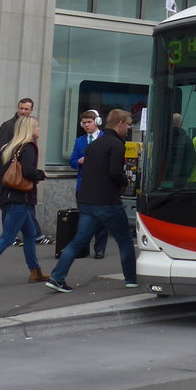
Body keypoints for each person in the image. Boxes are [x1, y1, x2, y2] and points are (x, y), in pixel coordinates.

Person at [45, 109, 138, 293]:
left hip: (87, 200)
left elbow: (86, 171)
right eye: (127, 124)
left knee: (78, 241)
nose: (128, 127)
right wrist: (125, 181)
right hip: (108, 201)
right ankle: (131, 278)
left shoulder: (93, 145)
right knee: (125, 239)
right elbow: (114, 172)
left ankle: (57, 277)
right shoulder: (117, 144)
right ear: (119, 123)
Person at [0, 115, 50, 289]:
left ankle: (35, 271)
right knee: (7, 237)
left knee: (30, 234)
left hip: (8, 195)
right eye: (37, 127)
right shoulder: (29, 147)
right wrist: (41, 174)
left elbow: (0, 172)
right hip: (20, 198)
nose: (39, 130)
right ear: (30, 129)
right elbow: (28, 171)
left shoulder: (9, 147)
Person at [0, 97, 53, 246]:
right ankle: (14, 237)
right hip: (13, 176)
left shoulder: (29, 130)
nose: (23, 111)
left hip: (23, 180)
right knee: (12, 208)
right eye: (21, 108)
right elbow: (2, 153)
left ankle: (35, 239)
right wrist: (39, 174)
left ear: (31, 110)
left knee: (27, 211)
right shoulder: (9, 126)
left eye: (26, 109)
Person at [69, 110, 108, 258]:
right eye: (84, 123)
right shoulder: (79, 141)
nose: (86, 125)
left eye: (89, 122)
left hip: (100, 184)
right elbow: (72, 161)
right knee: (84, 216)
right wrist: (78, 162)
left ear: (97, 122)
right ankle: (82, 248)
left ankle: (100, 248)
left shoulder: (105, 139)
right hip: (83, 184)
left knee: (101, 217)